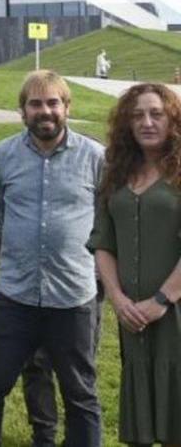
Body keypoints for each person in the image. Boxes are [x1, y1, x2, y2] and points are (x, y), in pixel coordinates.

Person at [0, 71, 104, 447]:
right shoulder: (5, 154)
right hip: (15, 296)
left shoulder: (95, 158)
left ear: (66, 107)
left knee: (81, 395)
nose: (45, 111)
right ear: (22, 110)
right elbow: (0, 215)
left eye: (53, 103)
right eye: (36, 104)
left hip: (73, 297)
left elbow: (106, 221)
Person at [89, 83, 181, 446]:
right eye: (138, 114)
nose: (147, 122)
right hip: (132, 317)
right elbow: (103, 241)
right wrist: (117, 298)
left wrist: (161, 301)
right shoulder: (115, 173)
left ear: (172, 118)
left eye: (156, 113)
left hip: (173, 314)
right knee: (139, 422)